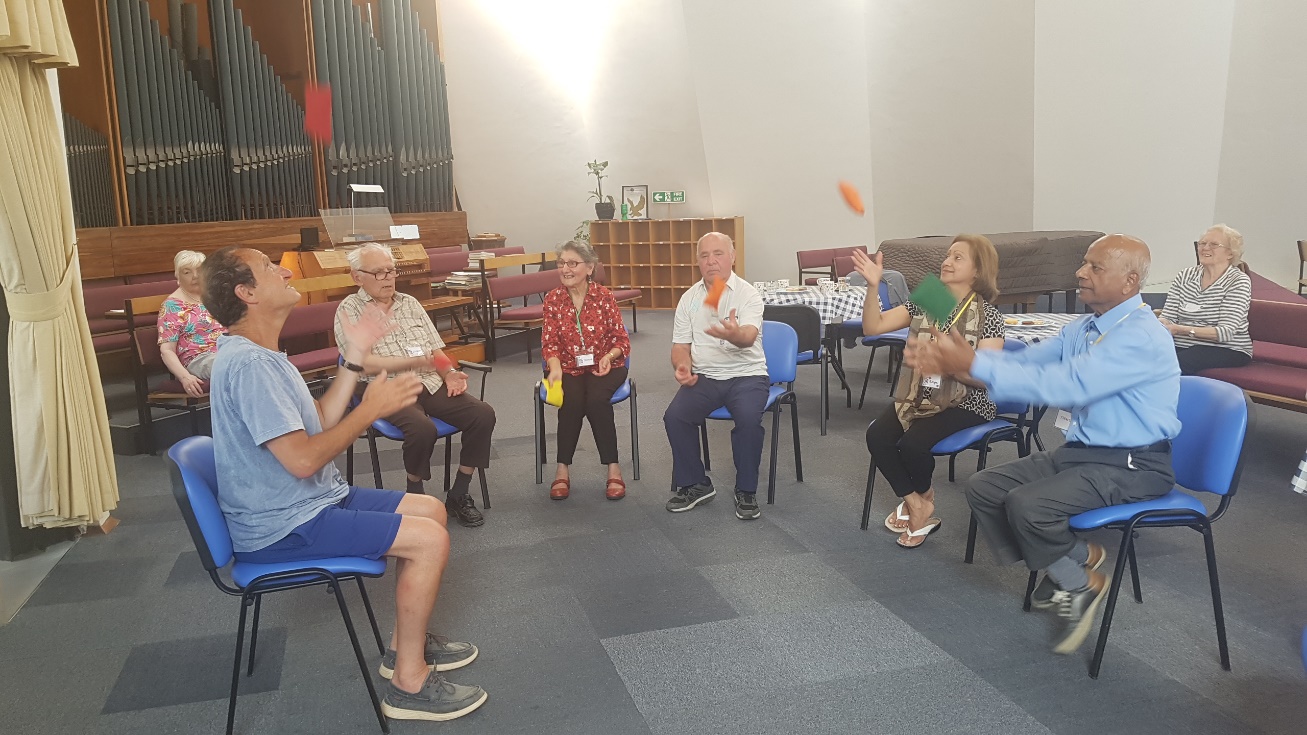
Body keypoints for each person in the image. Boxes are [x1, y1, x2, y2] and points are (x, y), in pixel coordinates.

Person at [201, 246, 487, 721]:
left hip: (312, 500)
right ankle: (408, 685)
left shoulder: (264, 357)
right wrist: (370, 411)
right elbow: (302, 459)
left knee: (431, 509)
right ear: (246, 293)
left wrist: (353, 359)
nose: (286, 268)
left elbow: (317, 418)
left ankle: (403, 649)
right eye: (272, 268)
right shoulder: (251, 366)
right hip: (284, 523)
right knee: (430, 540)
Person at [905, 234, 1181, 655]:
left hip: (1133, 466)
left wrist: (970, 363)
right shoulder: (1084, 328)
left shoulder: (1141, 336)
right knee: (984, 488)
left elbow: (1066, 384)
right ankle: (1075, 557)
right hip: (1082, 455)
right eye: (1083, 264)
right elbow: (1025, 364)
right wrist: (964, 363)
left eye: (1093, 267)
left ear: (1128, 282)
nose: (1079, 273)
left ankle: (1078, 582)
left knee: (1028, 506)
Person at [852, 236, 1006, 548]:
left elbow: (987, 379)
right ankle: (918, 502)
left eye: (958, 258)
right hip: (919, 393)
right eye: (947, 255)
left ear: (978, 271)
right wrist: (872, 287)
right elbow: (873, 327)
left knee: (912, 445)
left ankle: (918, 500)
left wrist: (947, 365)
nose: (947, 262)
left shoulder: (988, 316)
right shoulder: (930, 299)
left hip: (969, 400)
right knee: (877, 435)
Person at [334, 243, 496, 528]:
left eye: (390, 271)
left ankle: (459, 493)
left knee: (482, 414)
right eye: (378, 272)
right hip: (384, 387)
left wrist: (449, 373)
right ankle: (415, 493)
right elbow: (362, 364)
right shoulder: (349, 309)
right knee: (423, 429)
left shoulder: (409, 302)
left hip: (428, 381)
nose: (387, 277)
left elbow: (435, 351)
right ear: (357, 276)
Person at [663, 232, 768, 521]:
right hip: (706, 377)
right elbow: (680, 346)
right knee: (675, 417)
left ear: (733, 257)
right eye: (705, 256)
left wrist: (735, 335)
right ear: (697, 261)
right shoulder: (690, 299)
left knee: (748, 420)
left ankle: (746, 490)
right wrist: (682, 365)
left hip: (747, 375)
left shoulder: (747, 294)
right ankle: (697, 484)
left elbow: (748, 336)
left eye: (718, 254)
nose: (711, 261)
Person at [540, 240, 632, 501]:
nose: (565, 269)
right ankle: (562, 469)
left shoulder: (604, 296)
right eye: (561, 263)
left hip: (607, 365)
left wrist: (609, 356)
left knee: (596, 400)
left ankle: (613, 467)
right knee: (571, 401)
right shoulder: (554, 299)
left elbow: (621, 340)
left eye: (572, 263)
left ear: (589, 267)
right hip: (568, 367)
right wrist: (555, 368)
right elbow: (550, 343)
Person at [1158, 224, 1252, 375]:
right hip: (1183, 344)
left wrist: (1179, 329)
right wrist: (1161, 323)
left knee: (1175, 364)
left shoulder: (1238, 281)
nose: (1205, 248)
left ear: (1230, 253)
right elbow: (1168, 316)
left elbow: (1225, 332)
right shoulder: (1185, 275)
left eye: (1213, 244)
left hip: (1227, 348)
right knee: (1146, 357)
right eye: (1202, 243)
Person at [158, 250, 225, 397]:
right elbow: (167, 350)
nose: (195, 276)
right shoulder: (172, 306)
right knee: (237, 363)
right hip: (198, 358)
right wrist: (184, 377)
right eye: (187, 272)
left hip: (226, 350)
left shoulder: (214, 297)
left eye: (199, 270)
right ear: (178, 276)